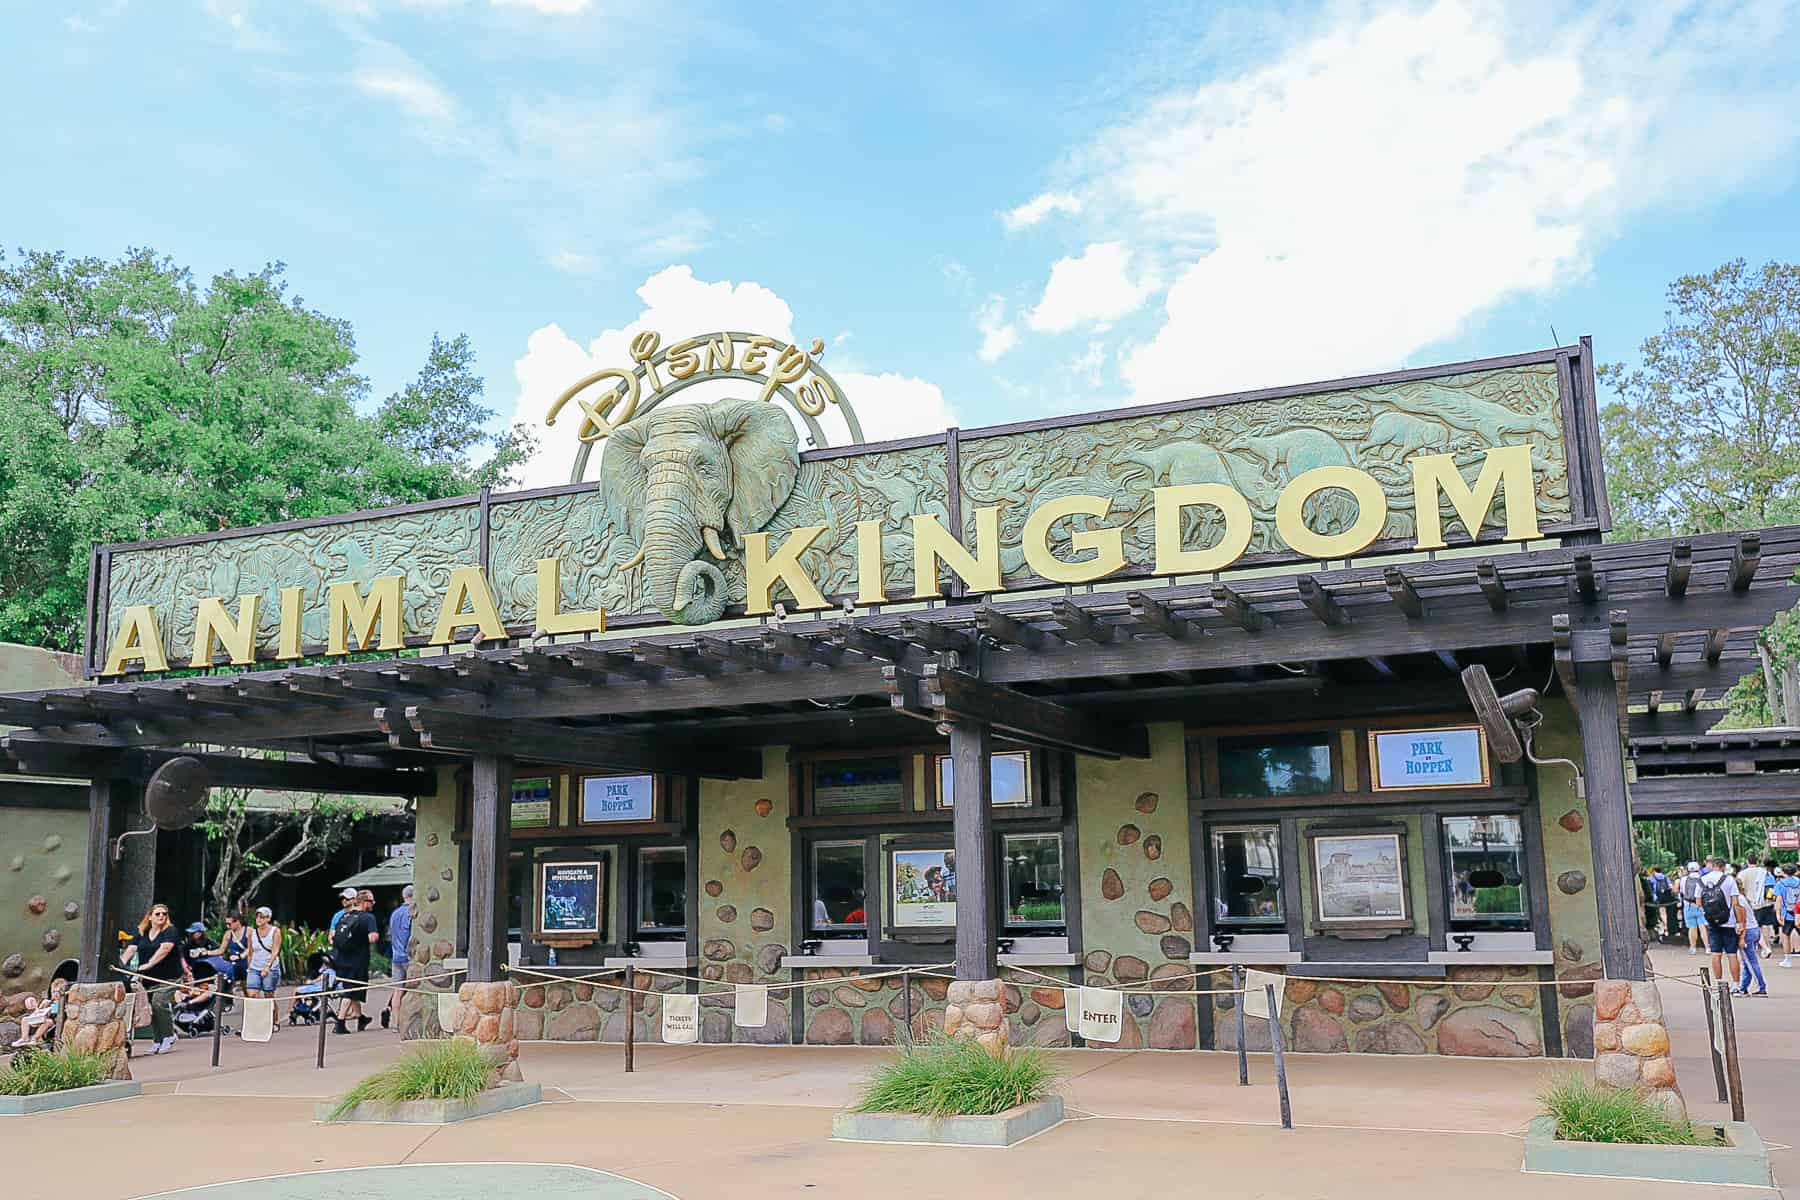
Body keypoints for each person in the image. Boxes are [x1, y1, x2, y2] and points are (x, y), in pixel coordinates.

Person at [134, 903, 184, 1054]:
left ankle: (169, 1035)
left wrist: (148, 964)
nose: (161, 916)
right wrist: (121, 965)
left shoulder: (170, 931)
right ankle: (157, 1040)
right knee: (152, 1009)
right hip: (149, 980)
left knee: (159, 1003)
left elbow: (165, 950)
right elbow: (130, 949)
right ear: (150, 917)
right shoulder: (143, 932)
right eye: (157, 914)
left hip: (170, 977)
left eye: (164, 914)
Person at [329, 888, 379, 1034]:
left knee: (352, 988)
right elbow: (373, 937)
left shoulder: (345, 916)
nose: (373, 903)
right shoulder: (368, 918)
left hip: (341, 960)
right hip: (358, 961)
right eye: (371, 901)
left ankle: (360, 1017)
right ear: (364, 902)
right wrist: (367, 938)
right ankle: (340, 1022)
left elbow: (333, 937)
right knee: (350, 992)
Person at [243, 906, 283, 1024]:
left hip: (270, 967)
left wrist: (268, 966)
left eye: (262, 917)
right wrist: (249, 968)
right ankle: (254, 1022)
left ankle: (274, 1021)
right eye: (257, 917)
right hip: (255, 967)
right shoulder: (252, 933)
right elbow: (250, 951)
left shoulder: (275, 931)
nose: (259, 919)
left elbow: (275, 950)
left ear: (268, 918)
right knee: (252, 995)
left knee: (268, 995)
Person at [382, 885, 414, 1029]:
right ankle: (408, 1021)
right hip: (408, 956)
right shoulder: (412, 912)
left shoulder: (394, 913)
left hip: (396, 955)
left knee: (398, 990)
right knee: (413, 989)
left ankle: (395, 1023)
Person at [10, 980, 68, 1049]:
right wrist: (42, 1007)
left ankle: (35, 1038)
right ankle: (24, 1038)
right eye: (53, 992)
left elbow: (58, 1013)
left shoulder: (63, 1002)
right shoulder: (51, 1002)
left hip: (54, 1021)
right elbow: (41, 1009)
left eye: (57, 992)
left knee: (48, 1022)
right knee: (25, 1020)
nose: (55, 994)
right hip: (43, 1017)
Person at [1776, 862, 1800, 969]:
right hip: (1798, 913)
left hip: (1787, 914)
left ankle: (1788, 960)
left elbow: (1779, 900)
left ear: (1784, 872)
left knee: (1786, 936)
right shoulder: (1799, 882)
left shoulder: (1781, 883)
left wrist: (1778, 914)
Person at [1680, 862, 1707, 955]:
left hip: (1688, 905)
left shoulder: (1683, 879)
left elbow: (1682, 892)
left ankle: (1693, 948)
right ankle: (1707, 947)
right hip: (1700, 905)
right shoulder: (1702, 878)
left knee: (1692, 927)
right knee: (1702, 926)